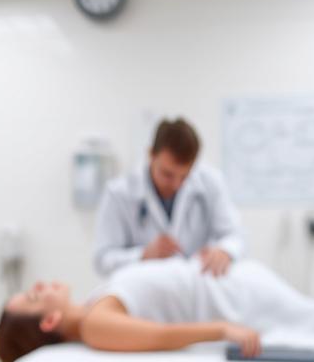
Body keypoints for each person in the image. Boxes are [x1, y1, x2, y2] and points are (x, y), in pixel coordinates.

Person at [0, 256, 314, 362]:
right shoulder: (97, 325)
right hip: (230, 300)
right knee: (303, 319)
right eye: (33, 295)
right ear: (48, 321)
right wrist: (221, 329)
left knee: (306, 316)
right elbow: (158, 337)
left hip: (225, 284)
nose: (40, 286)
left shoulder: (90, 310)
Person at [93, 118, 245, 278]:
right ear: (151, 154)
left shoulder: (211, 182)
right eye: (168, 174)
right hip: (141, 292)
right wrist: (143, 255)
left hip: (194, 290)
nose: (176, 185)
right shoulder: (119, 193)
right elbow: (102, 260)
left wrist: (225, 250)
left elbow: (235, 235)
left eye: (184, 176)